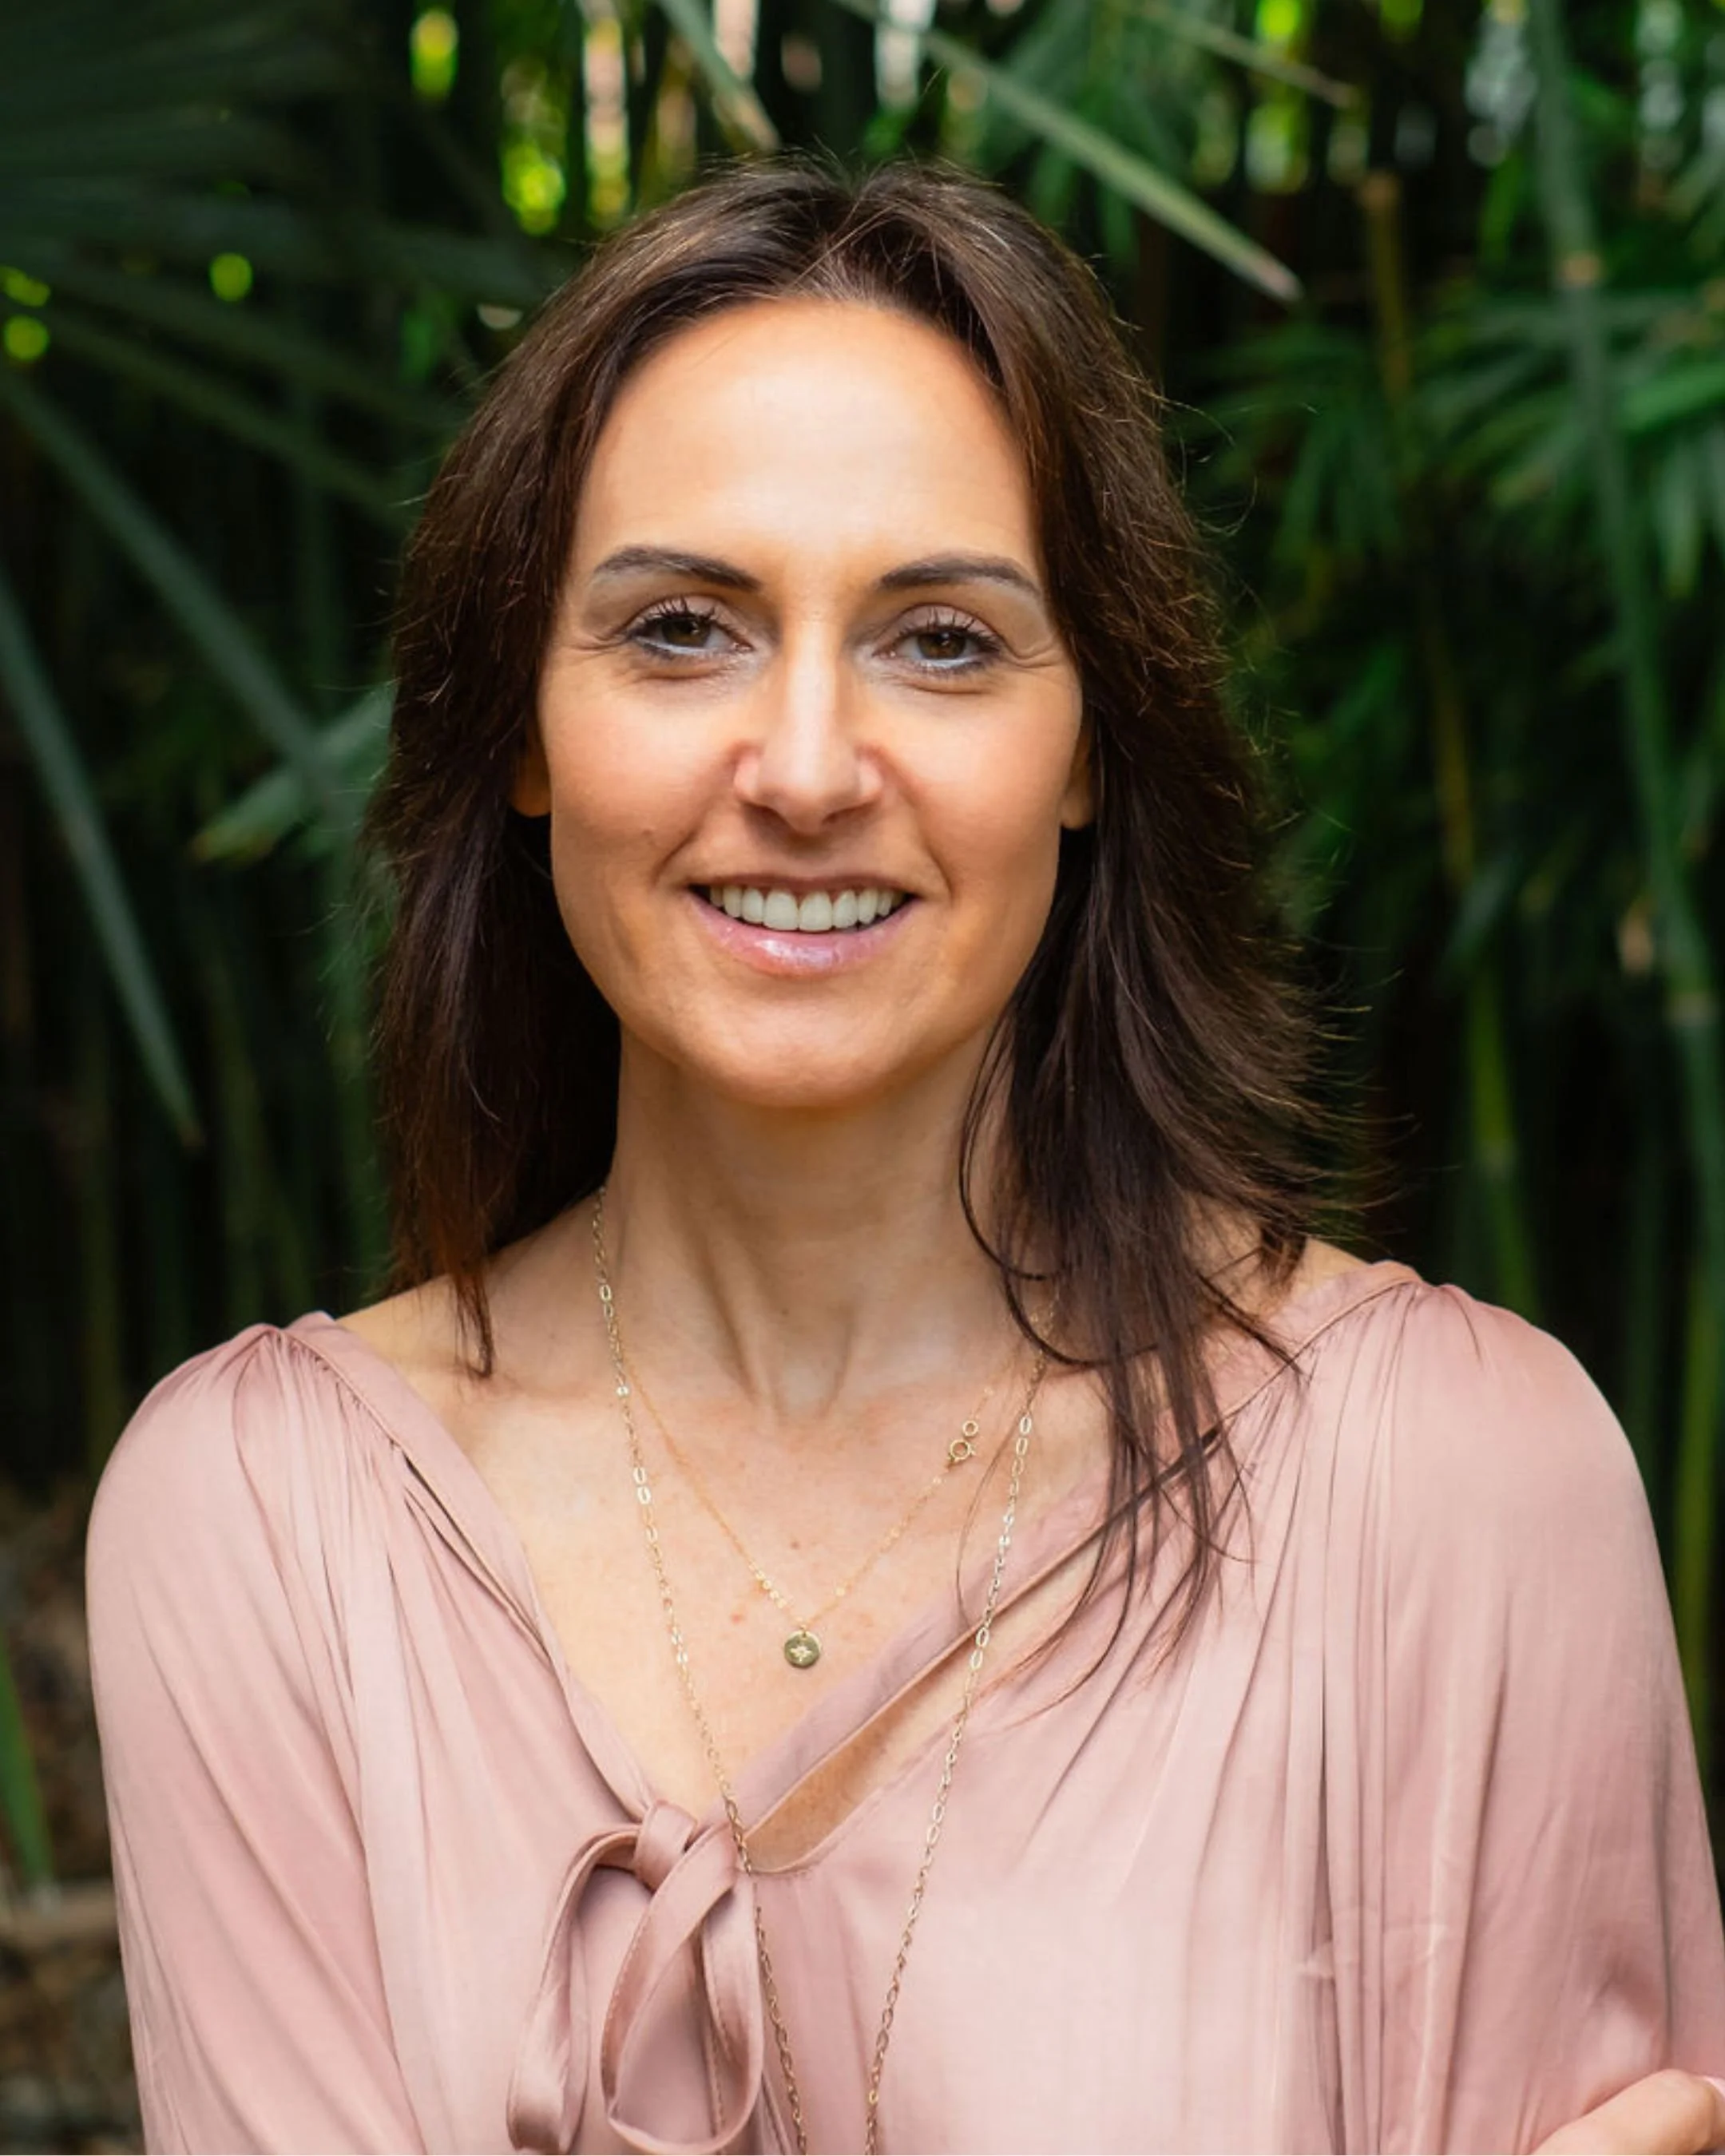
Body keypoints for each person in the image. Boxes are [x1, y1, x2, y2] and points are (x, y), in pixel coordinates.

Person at [86, 158, 1725, 2154]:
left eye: (941, 641)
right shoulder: (270, 1532)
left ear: (1095, 744)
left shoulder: (1449, 1497)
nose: (798, 768)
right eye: (682, 628)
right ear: (525, 727)